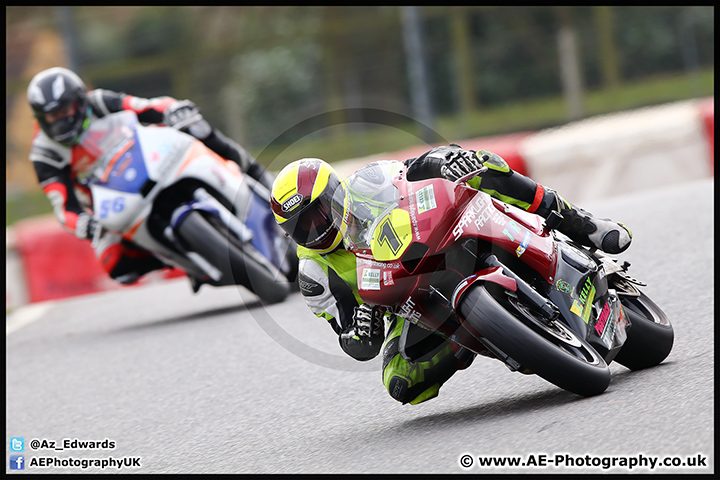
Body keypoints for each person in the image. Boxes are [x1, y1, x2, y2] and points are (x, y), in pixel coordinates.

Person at [270, 145, 632, 405]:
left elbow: (411, 169)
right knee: (400, 383)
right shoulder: (314, 273)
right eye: (302, 229)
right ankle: (484, 331)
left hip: (433, 241)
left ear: (334, 192)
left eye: (318, 214)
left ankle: (579, 222)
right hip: (407, 299)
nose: (316, 230)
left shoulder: (363, 184)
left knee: (479, 164)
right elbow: (353, 341)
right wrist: (361, 330)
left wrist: (445, 160)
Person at [26, 66, 275, 287]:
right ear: (40, 118)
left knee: (196, 126)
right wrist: (83, 223)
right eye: (52, 117)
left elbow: (145, 106)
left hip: (147, 160)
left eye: (65, 111)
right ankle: (179, 256)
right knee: (116, 266)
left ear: (80, 102)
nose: (61, 122)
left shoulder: (99, 101)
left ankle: (257, 173)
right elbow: (63, 206)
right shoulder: (44, 154)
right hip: (113, 204)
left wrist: (173, 110)